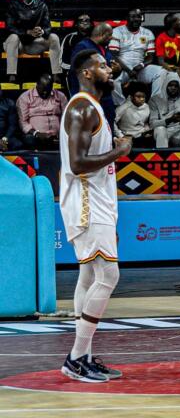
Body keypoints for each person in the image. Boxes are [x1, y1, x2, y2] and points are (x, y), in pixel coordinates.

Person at [59, 49, 132, 383]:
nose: (109, 69)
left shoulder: (94, 106)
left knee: (89, 275)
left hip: (97, 200)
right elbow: (77, 164)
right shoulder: (82, 107)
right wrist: (119, 151)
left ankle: (84, 356)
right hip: (88, 202)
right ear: (86, 73)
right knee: (108, 276)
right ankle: (76, 357)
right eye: (102, 66)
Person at [3, 0, 61, 84]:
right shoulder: (13, 5)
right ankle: (11, 74)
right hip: (17, 45)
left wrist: (42, 31)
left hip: (34, 44)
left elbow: (48, 26)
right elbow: (9, 27)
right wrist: (27, 32)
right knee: (13, 37)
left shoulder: (41, 5)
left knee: (54, 37)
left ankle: (56, 74)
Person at [69, 23, 121, 132]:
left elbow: (109, 73)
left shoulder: (105, 49)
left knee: (107, 130)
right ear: (102, 34)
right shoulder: (83, 47)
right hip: (89, 95)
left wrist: (117, 70)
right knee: (90, 132)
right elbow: (78, 72)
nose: (112, 38)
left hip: (104, 96)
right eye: (110, 35)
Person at [109, 8, 166, 105]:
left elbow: (150, 57)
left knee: (161, 72)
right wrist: (129, 71)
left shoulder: (148, 33)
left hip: (139, 68)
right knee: (112, 79)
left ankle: (154, 103)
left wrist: (141, 65)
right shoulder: (116, 31)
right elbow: (114, 55)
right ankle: (121, 106)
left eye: (139, 17)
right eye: (133, 17)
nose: (136, 19)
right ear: (127, 18)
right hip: (122, 68)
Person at [17, 72, 67, 150]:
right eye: (42, 90)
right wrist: (37, 133)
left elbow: (67, 117)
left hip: (57, 135)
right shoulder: (25, 97)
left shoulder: (60, 96)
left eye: (47, 90)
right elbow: (23, 122)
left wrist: (62, 132)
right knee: (29, 140)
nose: (45, 93)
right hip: (35, 136)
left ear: (52, 86)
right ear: (37, 85)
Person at [149, 72, 180, 148]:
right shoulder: (154, 99)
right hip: (161, 131)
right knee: (161, 129)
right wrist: (170, 120)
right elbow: (152, 124)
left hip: (177, 132)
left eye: (176, 86)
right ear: (165, 85)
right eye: (170, 85)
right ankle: (163, 155)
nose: (173, 88)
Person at [114, 82, 153, 148]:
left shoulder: (147, 107)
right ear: (131, 97)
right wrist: (120, 135)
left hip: (142, 137)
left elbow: (145, 122)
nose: (142, 99)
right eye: (138, 96)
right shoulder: (123, 108)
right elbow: (112, 122)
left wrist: (147, 130)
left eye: (143, 97)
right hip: (127, 138)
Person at [61, 14, 93, 87]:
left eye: (87, 20)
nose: (84, 22)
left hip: (93, 71)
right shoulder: (70, 38)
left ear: (91, 24)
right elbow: (63, 60)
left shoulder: (96, 37)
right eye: (81, 20)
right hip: (73, 72)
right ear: (76, 24)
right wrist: (75, 69)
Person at [155, 13, 180, 78]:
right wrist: (174, 74)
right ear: (173, 24)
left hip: (177, 69)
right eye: (179, 20)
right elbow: (161, 61)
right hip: (166, 69)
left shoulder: (179, 37)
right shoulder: (161, 38)